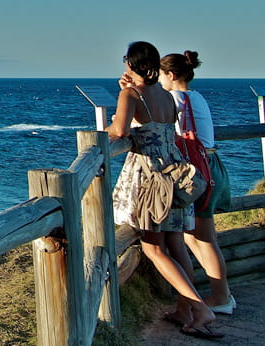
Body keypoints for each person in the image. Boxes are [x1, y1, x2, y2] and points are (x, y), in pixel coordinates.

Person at [107, 41, 222, 339]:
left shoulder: (130, 94)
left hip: (150, 177)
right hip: (175, 168)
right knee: (176, 244)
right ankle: (185, 310)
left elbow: (120, 131)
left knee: (153, 247)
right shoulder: (168, 97)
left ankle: (201, 308)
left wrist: (107, 128)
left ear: (132, 64)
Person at [160, 50, 235, 315]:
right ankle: (220, 293)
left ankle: (221, 297)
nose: (159, 81)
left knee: (204, 238)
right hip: (212, 166)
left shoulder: (174, 98)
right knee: (195, 236)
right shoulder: (196, 96)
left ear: (170, 75)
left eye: (160, 75)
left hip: (198, 173)